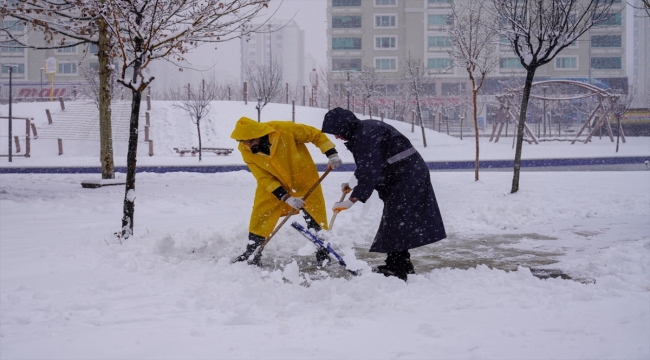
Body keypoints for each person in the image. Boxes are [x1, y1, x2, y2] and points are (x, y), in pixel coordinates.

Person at [321, 107, 446, 281]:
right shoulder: (363, 131)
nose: (336, 137)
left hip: (407, 177)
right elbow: (368, 166)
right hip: (402, 176)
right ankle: (401, 264)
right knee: (396, 221)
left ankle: (397, 269)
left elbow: (371, 169)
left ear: (345, 126)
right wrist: (351, 183)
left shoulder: (366, 135)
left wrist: (350, 201)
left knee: (396, 221)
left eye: (337, 132)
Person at [230, 116, 343, 266]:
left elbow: (315, 134)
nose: (248, 145)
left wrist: (331, 153)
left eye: (250, 141)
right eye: (243, 142)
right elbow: (263, 177)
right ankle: (252, 253)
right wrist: (285, 197)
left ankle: (322, 253)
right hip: (274, 184)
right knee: (261, 215)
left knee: (315, 216)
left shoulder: (284, 130)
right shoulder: (246, 150)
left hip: (303, 179)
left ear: (258, 134)